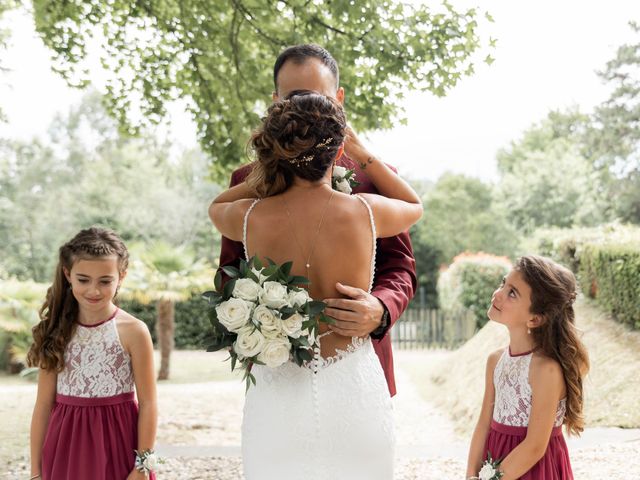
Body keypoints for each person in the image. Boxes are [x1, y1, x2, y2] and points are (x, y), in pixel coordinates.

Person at [209, 91, 422, 479]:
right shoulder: (365, 212)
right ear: (338, 148)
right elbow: (414, 205)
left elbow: (216, 206)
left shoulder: (250, 217)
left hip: (278, 392)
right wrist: (365, 156)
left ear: (276, 148)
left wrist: (269, 170)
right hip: (354, 389)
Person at [217, 44, 417, 397]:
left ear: (337, 99)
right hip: (278, 365)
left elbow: (400, 267)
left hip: (357, 361)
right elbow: (230, 271)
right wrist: (263, 322)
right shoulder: (245, 182)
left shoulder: (379, 180)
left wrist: (380, 309)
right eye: (293, 98)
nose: (303, 109)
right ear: (275, 101)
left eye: (316, 96)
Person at [27, 227, 158, 480]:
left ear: (121, 276)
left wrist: (142, 466)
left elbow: (149, 403)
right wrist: (35, 472)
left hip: (118, 444)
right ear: (68, 274)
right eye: (83, 279)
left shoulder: (134, 331)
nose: (93, 291)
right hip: (64, 446)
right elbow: (43, 405)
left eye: (105, 281)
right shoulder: (55, 330)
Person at [466, 255, 589, 480]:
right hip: (493, 465)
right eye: (503, 283)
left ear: (535, 319)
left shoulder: (545, 370)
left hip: (533, 470)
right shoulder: (495, 361)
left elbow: (534, 446)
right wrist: (471, 474)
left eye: (512, 293)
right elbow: (484, 423)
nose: (499, 294)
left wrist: (492, 478)